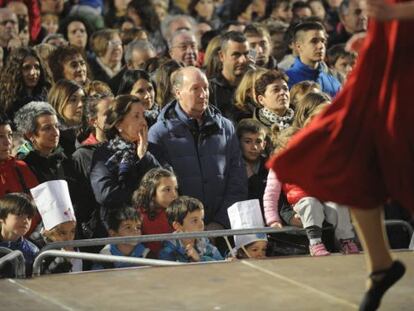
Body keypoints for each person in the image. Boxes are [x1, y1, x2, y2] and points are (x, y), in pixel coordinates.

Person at [269, 0, 412, 308]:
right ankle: (380, 264)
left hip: (405, 56)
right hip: (383, 58)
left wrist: (400, 14)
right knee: (349, 156)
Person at [148, 66, 248, 229]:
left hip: (222, 229)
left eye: (206, 88)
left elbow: (237, 180)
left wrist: (220, 223)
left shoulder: (226, 128)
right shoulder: (159, 134)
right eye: (195, 89)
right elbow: (160, 191)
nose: (203, 94)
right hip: (180, 232)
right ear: (178, 92)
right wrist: (190, 224)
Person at [90, 95, 161, 229]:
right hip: (118, 227)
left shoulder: (151, 149)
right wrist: (141, 196)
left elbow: (166, 184)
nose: (143, 122)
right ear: (119, 124)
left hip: (153, 225)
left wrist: (144, 156)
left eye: (143, 116)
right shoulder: (104, 153)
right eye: (136, 116)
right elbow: (106, 194)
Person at [30, 180, 82, 274]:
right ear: (47, 231)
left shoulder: (74, 244)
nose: (69, 238)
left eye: (72, 231)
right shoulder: (35, 247)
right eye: (62, 233)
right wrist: (64, 259)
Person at [159, 196, 224, 262]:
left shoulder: (204, 242)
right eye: (195, 220)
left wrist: (200, 259)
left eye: (202, 219)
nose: (201, 225)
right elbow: (168, 270)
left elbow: (221, 263)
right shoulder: (168, 250)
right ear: (178, 226)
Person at [286, 21, 341, 98]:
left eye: (323, 41)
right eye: (314, 41)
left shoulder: (333, 81)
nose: (321, 46)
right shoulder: (287, 81)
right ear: (298, 46)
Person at [132, 168, 178, 256]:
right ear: (151, 193)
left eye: (175, 189)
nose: (174, 194)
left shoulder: (177, 212)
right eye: (168, 189)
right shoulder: (137, 217)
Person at [209, 31, 250, 120]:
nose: (242, 60)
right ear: (221, 56)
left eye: (246, 54)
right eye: (236, 55)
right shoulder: (210, 89)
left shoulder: (255, 86)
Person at [0, 47, 48, 121]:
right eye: (26, 68)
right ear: (16, 70)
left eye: (36, 67)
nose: (33, 73)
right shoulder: (5, 101)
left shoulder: (46, 96)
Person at [0, 193, 38, 277]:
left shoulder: (32, 251)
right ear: (2, 217)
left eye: (29, 217)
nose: (25, 221)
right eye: (19, 214)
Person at [0, 116, 38, 197]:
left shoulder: (20, 166)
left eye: (10, 135)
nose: (8, 142)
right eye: (0, 136)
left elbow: (39, 203)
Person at [48, 79, 86, 157]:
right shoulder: (52, 138)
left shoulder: (88, 132)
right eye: (73, 100)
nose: (81, 105)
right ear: (58, 104)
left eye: (83, 100)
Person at [236, 119, 268, 210]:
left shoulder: (270, 167)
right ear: (238, 143)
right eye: (248, 141)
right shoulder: (232, 166)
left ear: (264, 145)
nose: (254, 147)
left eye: (258, 142)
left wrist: (252, 177)